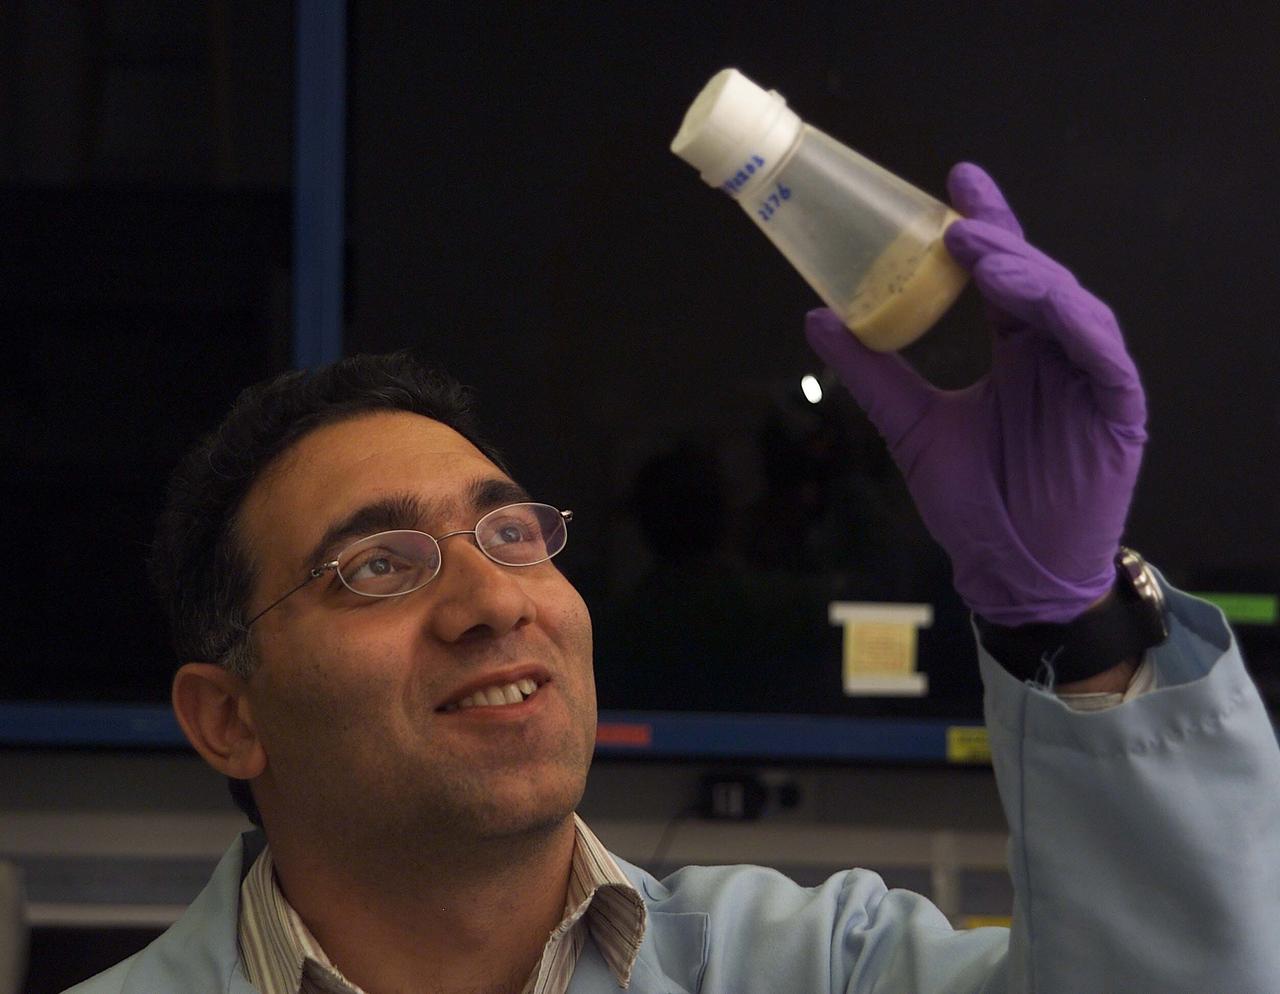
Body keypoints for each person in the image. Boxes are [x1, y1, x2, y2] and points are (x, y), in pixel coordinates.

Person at [66, 165, 1280, 993]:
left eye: (511, 534)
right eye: (380, 566)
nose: (495, 601)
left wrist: (1067, 617)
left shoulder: (818, 968)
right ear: (227, 717)